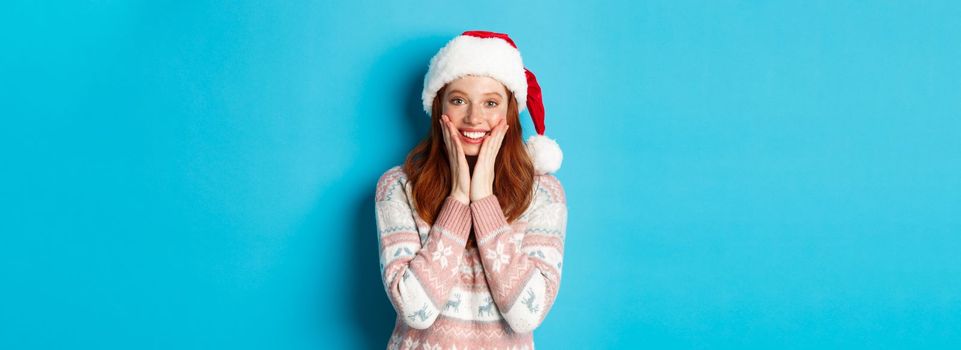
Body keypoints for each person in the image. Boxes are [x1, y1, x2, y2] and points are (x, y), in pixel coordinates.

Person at [374, 30, 567, 350]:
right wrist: (459, 197)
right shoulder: (397, 187)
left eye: (491, 102)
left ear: (509, 111)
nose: (474, 117)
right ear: (439, 108)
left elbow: (525, 315)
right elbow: (415, 310)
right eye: (459, 100)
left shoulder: (544, 194)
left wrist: (484, 201)